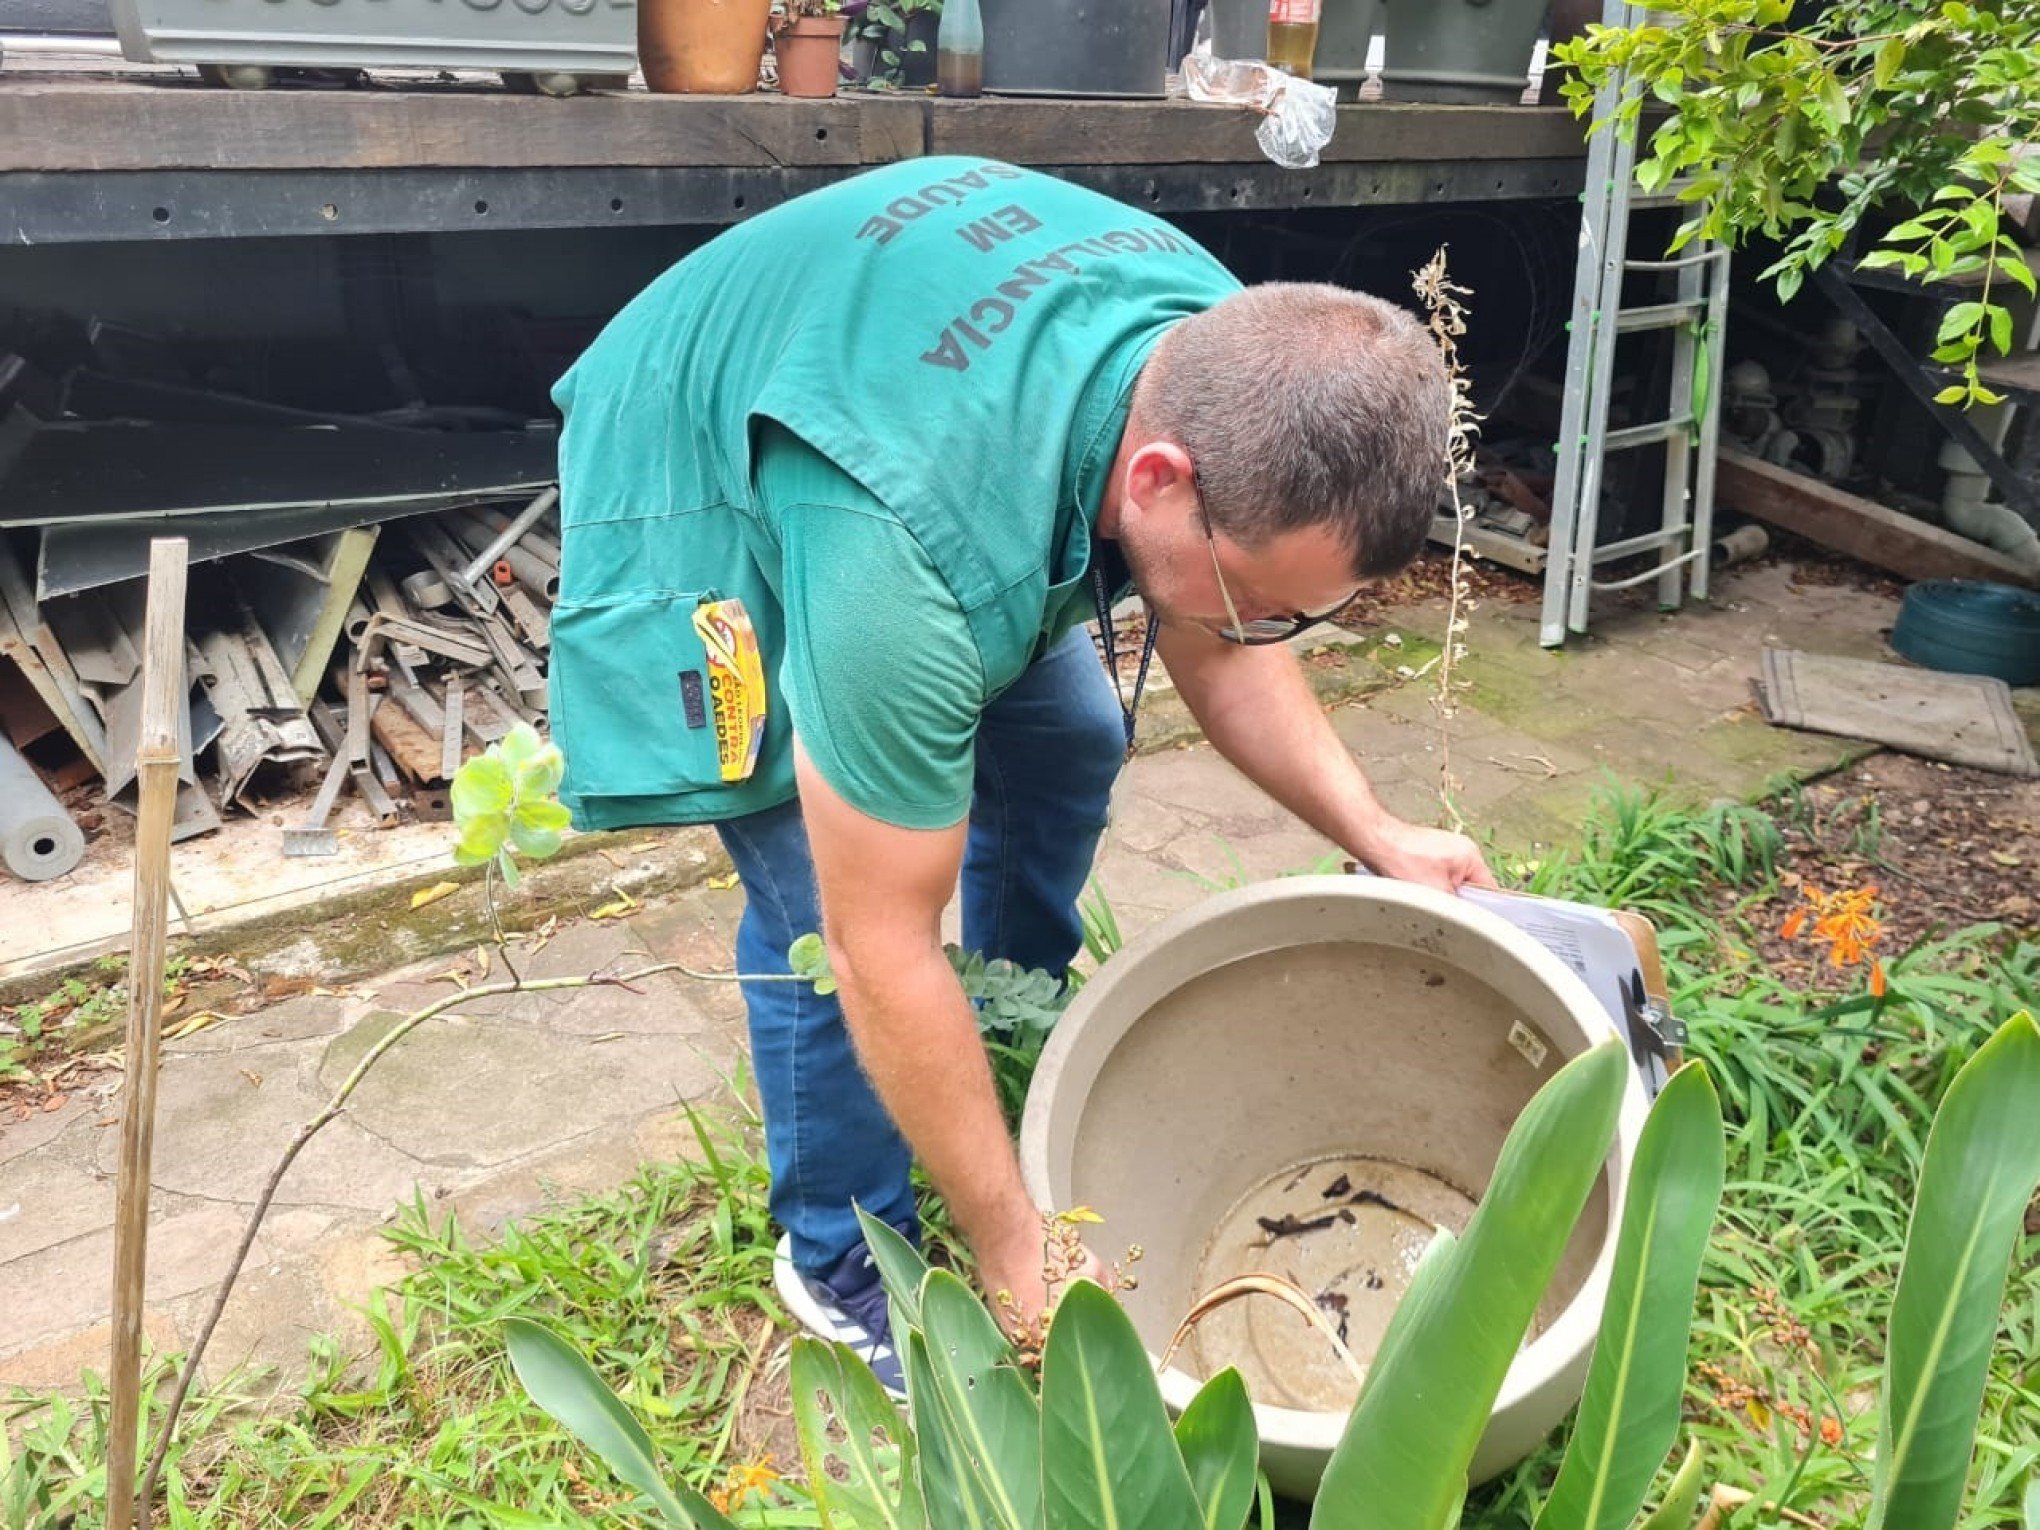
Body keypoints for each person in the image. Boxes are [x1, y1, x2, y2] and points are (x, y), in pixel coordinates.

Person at [549, 156, 1496, 1390]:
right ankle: (839, 1255)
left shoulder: (1220, 361)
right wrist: (1017, 1250)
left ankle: (1003, 1023)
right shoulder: (900, 570)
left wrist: (1378, 832)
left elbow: (1226, 647)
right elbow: (875, 944)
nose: (1262, 634)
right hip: (706, 443)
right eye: (1261, 601)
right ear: (1159, 478)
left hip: (910, 377)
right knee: (820, 916)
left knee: (1071, 736)